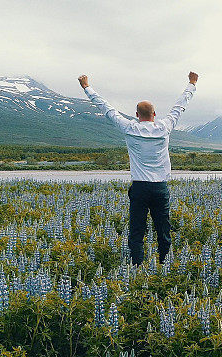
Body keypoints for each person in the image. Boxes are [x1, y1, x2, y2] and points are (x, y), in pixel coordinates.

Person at [78, 71, 198, 265]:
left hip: (140, 188)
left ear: (136, 115)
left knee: (136, 231)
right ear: (155, 114)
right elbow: (179, 106)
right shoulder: (164, 127)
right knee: (163, 230)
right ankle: (164, 266)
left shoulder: (129, 127)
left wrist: (86, 87)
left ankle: (137, 268)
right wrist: (191, 84)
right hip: (160, 187)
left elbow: (107, 109)